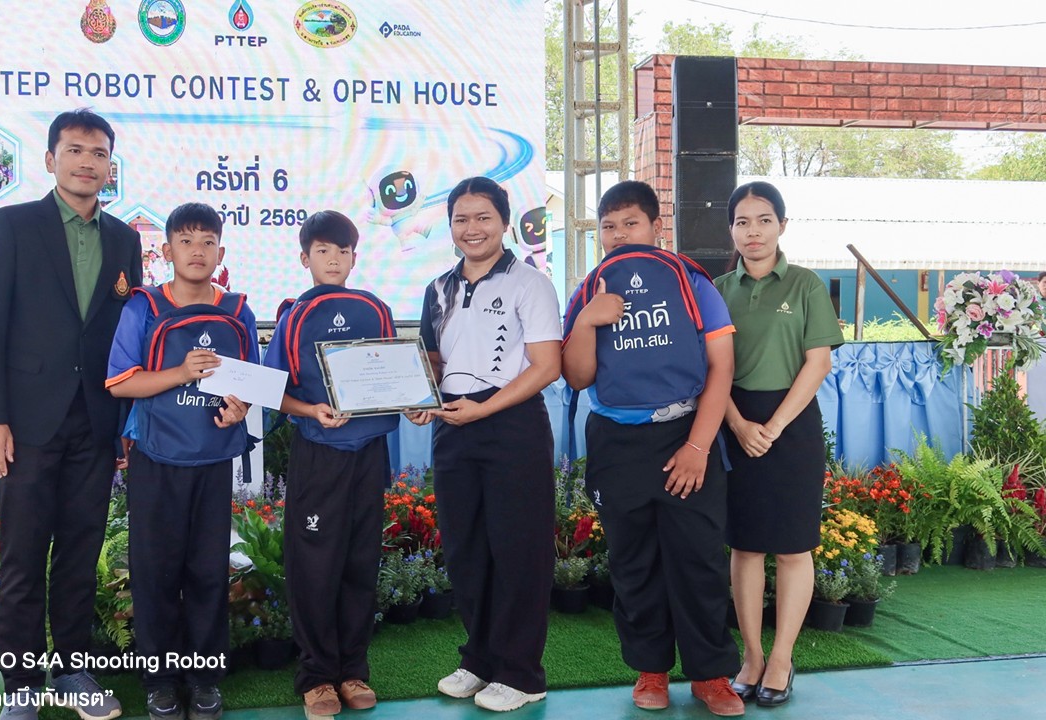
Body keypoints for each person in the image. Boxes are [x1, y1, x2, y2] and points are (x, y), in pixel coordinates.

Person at [0, 108, 141, 720]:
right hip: (26, 424)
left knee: (79, 555)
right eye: (74, 150)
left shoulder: (124, 239)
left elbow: (129, 339)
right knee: (22, 558)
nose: (86, 163)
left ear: (110, 167)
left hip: (96, 423)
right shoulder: (13, 224)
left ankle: (74, 673)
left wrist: (127, 423)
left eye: (98, 154)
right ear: (50, 159)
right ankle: (20, 687)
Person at [560, 180, 744, 717]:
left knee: (699, 561)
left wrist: (697, 446)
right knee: (632, 563)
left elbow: (722, 367)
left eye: (631, 223)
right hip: (616, 443)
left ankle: (711, 675)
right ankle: (651, 671)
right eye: (609, 227)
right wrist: (589, 321)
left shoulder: (691, 281)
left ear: (656, 227)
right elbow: (577, 377)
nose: (619, 235)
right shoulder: (588, 290)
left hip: (686, 433)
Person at [409, 176, 561, 713]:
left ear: (503, 222)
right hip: (454, 424)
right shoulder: (438, 288)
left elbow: (547, 366)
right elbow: (434, 362)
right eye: (461, 219)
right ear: (450, 226)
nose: (471, 229)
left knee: (518, 551)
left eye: (483, 218)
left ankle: (522, 674)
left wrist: (485, 407)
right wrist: (418, 397)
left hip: (512, 425)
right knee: (465, 550)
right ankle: (479, 660)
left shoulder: (530, 283)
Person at [105, 202, 257, 720]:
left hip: (212, 459)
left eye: (207, 241)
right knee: (155, 574)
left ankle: (205, 678)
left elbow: (248, 384)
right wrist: (182, 372)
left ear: (221, 251)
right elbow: (120, 381)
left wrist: (239, 409)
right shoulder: (144, 307)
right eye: (186, 241)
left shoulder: (237, 310)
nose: (198, 251)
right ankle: (160, 682)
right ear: (166, 251)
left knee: (209, 572)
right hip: (155, 459)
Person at [263, 210, 401, 717]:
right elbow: (273, 391)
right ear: (305, 259)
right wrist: (310, 410)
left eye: (343, 251)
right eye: (323, 251)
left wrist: (412, 400)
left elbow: (395, 374)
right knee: (315, 566)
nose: (334, 259)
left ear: (354, 257)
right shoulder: (295, 316)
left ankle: (352, 670)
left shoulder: (376, 309)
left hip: (368, 453)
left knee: (360, 561)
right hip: (320, 455)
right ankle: (317, 676)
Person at [714, 181, 843, 709]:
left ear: (782, 226)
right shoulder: (717, 290)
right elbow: (710, 369)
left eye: (764, 220)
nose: (754, 231)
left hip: (792, 426)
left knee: (793, 548)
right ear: (731, 230)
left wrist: (773, 426)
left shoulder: (806, 284)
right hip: (734, 421)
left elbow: (819, 362)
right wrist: (740, 424)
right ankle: (751, 657)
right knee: (745, 546)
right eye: (743, 221)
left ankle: (782, 659)